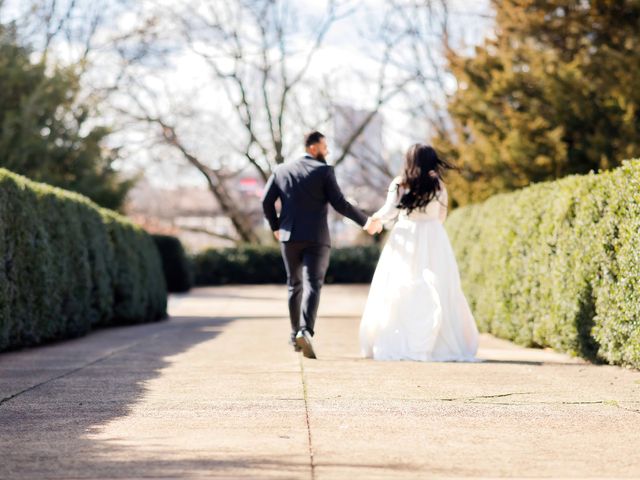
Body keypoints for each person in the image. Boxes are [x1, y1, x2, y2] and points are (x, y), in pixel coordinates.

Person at [262, 131, 382, 359]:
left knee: (293, 285)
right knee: (313, 284)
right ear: (313, 148)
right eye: (324, 146)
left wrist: (276, 227)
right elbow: (340, 203)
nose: (327, 151)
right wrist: (366, 222)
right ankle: (305, 330)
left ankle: (294, 334)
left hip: (289, 237)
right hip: (316, 238)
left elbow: (266, 201)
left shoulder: (281, 170)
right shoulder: (324, 171)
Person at [359, 144, 479, 361]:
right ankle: (438, 343)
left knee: (400, 285)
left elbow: (389, 211)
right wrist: (430, 225)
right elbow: (442, 215)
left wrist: (373, 220)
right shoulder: (439, 185)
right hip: (434, 237)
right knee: (440, 286)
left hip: (406, 235)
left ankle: (399, 337)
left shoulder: (400, 183)